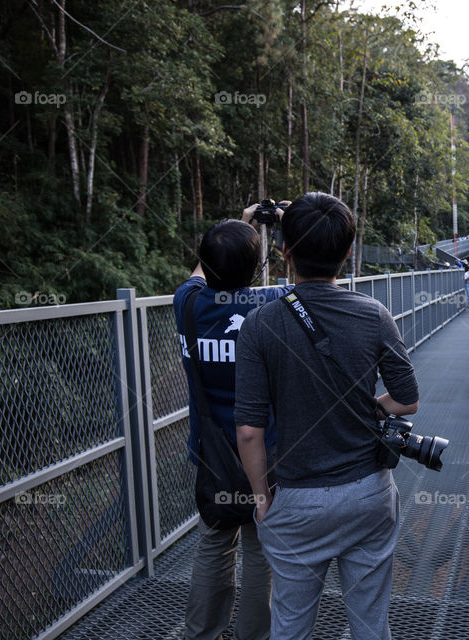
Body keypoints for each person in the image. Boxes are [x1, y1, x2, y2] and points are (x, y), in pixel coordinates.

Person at [234, 192, 419, 640]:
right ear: (349, 252)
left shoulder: (260, 325)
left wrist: (261, 499)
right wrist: (362, 409)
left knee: (292, 625)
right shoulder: (375, 315)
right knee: (372, 623)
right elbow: (407, 399)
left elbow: (248, 432)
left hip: (297, 501)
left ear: (284, 252)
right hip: (368, 496)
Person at [173, 213, 292, 640]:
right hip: (265, 450)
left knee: (213, 541)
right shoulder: (274, 303)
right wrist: (288, 227)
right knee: (261, 548)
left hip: (212, 452)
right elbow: (317, 281)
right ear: (255, 268)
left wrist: (237, 222)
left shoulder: (186, 302)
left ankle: (202, 632)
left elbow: (197, 275)